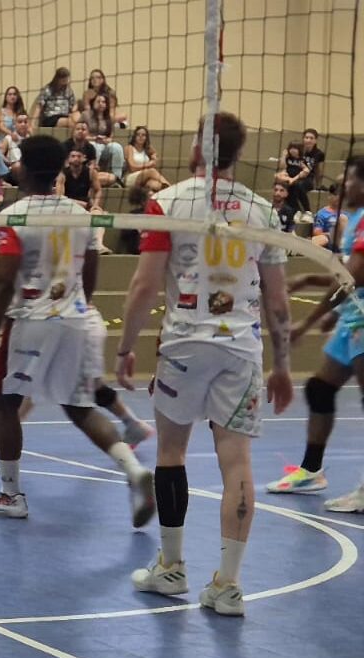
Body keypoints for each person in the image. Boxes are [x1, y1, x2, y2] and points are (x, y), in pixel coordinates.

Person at [118, 112, 294, 616]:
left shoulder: (168, 203)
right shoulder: (263, 211)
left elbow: (144, 286)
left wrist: (125, 347)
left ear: (199, 147)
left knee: (171, 452)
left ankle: (171, 567)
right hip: (241, 348)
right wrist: (282, 365)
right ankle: (229, 585)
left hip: (184, 346)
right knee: (236, 461)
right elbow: (278, 303)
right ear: (238, 152)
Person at [0, 135, 154, 523]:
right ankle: (135, 471)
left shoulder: (14, 216)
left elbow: (3, 282)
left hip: (30, 323)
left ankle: (11, 495)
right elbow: (91, 271)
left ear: (25, 168)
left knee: (6, 403)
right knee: (79, 408)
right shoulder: (81, 213)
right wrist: (72, 306)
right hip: (74, 319)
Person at [262, 155, 364, 512]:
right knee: (320, 389)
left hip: (362, 322)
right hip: (354, 319)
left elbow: (353, 278)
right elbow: (349, 274)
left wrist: (308, 322)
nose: (344, 184)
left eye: (350, 179)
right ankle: (310, 471)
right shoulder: (355, 220)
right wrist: (309, 280)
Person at [0, 308, 154, 450]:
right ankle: (133, 426)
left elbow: (29, 306)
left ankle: (132, 466)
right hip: (70, 326)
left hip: (76, 327)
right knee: (78, 385)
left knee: (75, 403)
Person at [56, 145, 104, 212]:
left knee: (97, 213)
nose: (76, 159)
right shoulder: (62, 174)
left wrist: (95, 205)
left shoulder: (91, 172)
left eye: (79, 156)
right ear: (68, 159)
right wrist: (78, 203)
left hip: (86, 204)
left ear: (84, 158)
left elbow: (98, 190)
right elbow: (60, 197)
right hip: (67, 205)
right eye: (73, 156)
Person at [122, 126, 168, 193]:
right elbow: (132, 167)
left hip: (144, 179)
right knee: (152, 170)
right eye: (138, 134)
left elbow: (155, 154)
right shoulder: (129, 148)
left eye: (143, 135)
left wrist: (154, 156)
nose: (140, 136)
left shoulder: (147, 149)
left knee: (156, 185)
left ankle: (166, 193)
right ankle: (172, 189)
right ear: (134, 136)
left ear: (146, 138)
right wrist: (149, 164)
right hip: (131, 178)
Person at [293, 128, 326, 212]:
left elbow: (318, 170)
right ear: (303, 139)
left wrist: (318, 185)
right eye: (306, 137)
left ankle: (307, 211)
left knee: (299, 186)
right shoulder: (297, 150)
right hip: (295, 176)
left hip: (308, 179)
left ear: (315, 140)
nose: (308, 140)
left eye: (311, 138)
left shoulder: (319, 154)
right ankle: (296, 210)